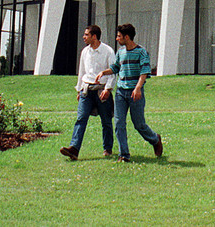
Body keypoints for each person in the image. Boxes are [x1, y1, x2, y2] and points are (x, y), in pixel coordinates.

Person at [94, 23, 163, 162]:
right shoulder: (121, 52)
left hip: (135, 93)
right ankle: (124, 155)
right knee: (119, 123)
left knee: (139, 124)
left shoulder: (141, 52)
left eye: (119, 36)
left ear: (127, 37)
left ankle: (155, 139)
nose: (117, 38)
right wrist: (103, 72)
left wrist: (137, 88)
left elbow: (144, 72)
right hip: (120, 92)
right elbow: (116, 67)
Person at [60, 25, 116, 161]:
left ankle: (107, 148)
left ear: (94, 36)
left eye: (86, 35)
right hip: (86, 90)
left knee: (106, 121)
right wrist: (79, 89)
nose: (84, 37)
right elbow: (82, 72)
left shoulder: (108, 51)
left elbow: (113, 72)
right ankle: (74, 149)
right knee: (81, 118)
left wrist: (108, 89)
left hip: (101, 90)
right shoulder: (85, 52)